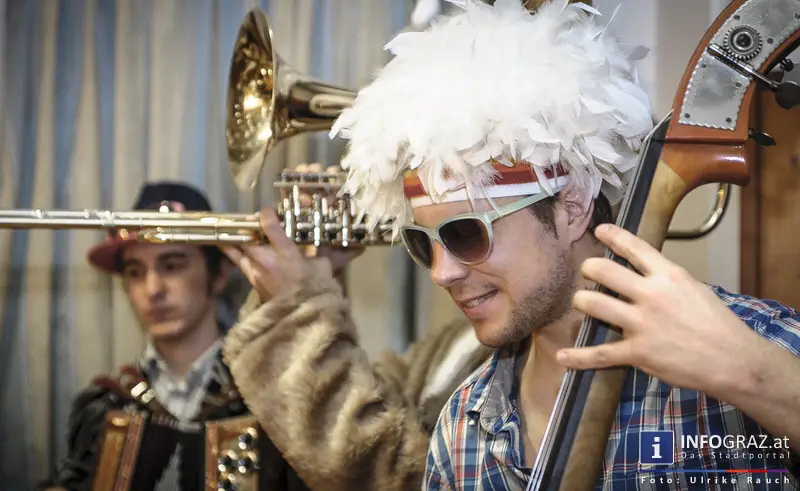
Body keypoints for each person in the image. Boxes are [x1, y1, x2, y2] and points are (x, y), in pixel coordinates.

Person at [221, 1, 800, 490]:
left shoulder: (761, 348)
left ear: (572, 205)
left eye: (467, 232)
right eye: (424, 244)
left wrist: (751, 374)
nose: (442, 274)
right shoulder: (462, 425)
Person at [38, 182, 313, 491]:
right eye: (135, 271)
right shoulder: (103, 403)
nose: (152, 289)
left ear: (220, 273)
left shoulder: (275, 396)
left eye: (172, 265)